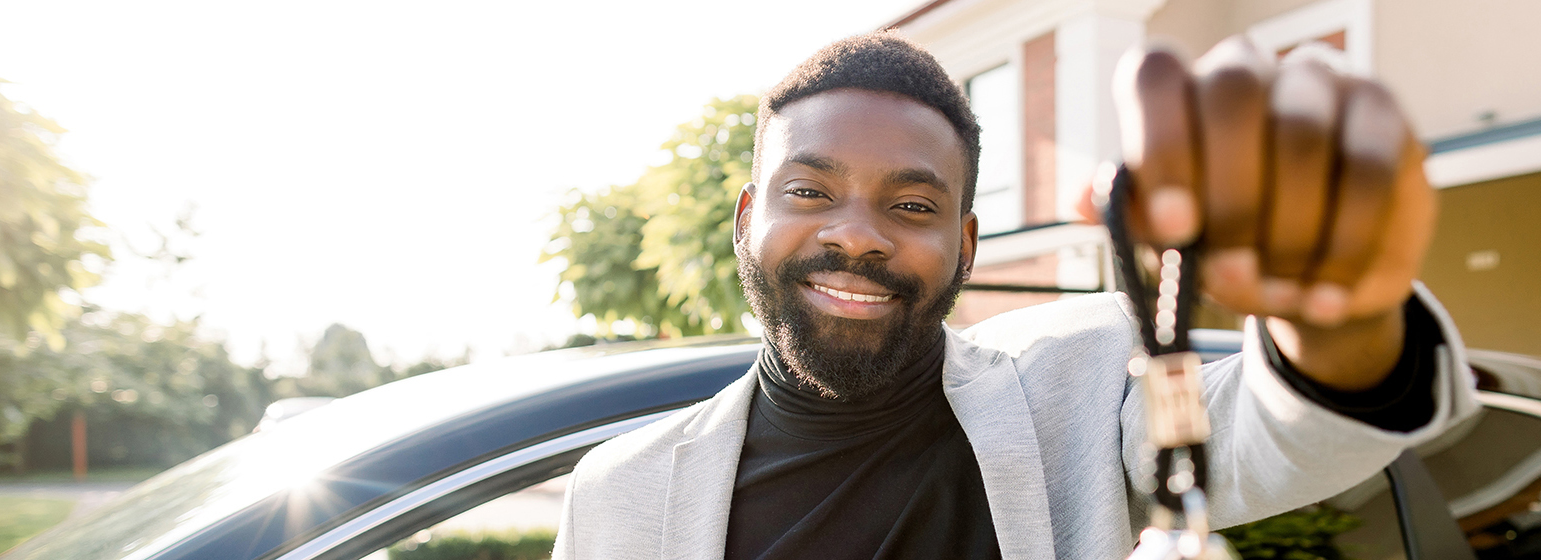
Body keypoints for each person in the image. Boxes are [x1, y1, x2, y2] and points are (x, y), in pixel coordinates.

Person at [552, 31, 1479, 560]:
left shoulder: (1079, 388)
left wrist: (1337, 312)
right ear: (749, 214)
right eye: (810, 191)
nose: (859, 233)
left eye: (912, 205)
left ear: (964, 245)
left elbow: (1279, 434)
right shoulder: (619, 494)